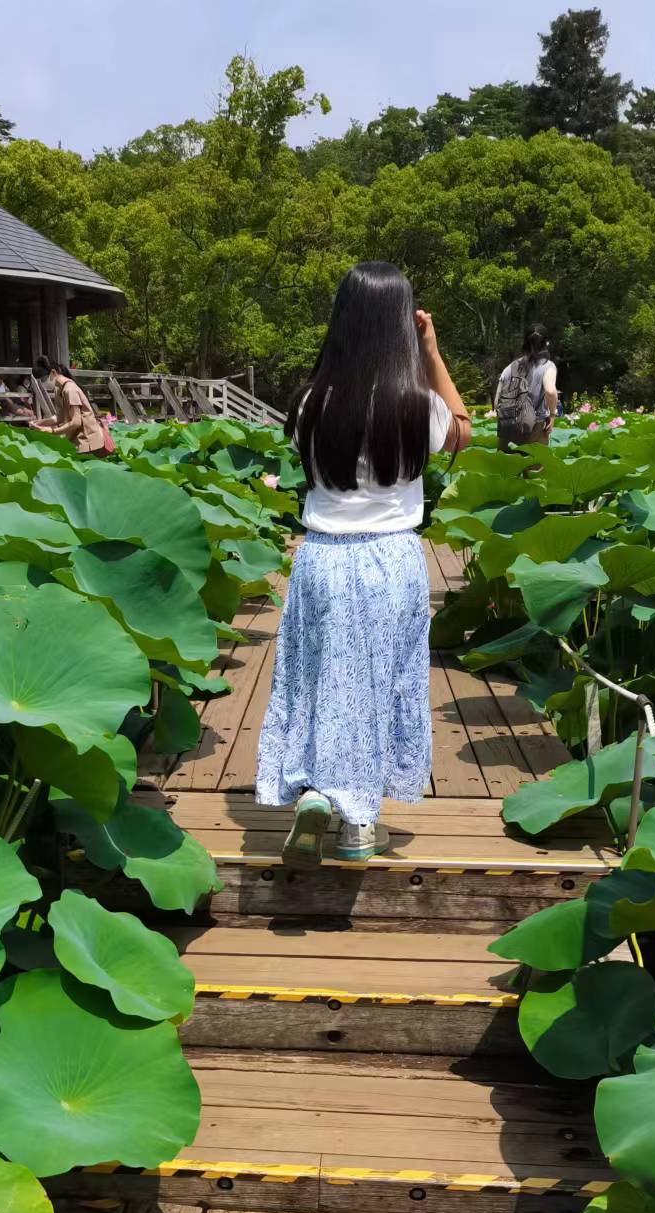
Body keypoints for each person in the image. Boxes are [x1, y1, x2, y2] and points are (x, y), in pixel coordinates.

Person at [256, 261, 471, 866]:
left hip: (321, 560)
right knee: (381, 684)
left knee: (316, 679)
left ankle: (317, 788)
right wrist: (432, 353)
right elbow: (463, 432)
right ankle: (357, 823)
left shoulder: (308, 403)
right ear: (402, 325)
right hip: (391, 561)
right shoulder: (417, 404)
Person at [31, 356, 111, 455]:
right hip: (76, 441)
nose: (42, 383)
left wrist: (52, 431)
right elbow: (58, 418)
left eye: (43, 379)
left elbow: (76, 422)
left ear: (53, 373)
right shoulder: (58, 390)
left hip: (89, 442)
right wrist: (39, 423)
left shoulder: (70, 389)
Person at [494, 325, 558, 448]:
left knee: (506, 466)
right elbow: (550, 391)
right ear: (546, 343)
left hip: (506, 429)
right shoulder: (548, 366)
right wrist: (552, 416)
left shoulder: (510, 367)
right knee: (533, 466)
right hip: (534, 429)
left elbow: (497, 402)